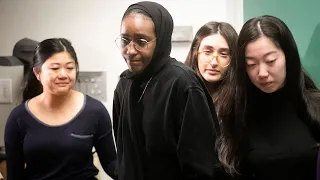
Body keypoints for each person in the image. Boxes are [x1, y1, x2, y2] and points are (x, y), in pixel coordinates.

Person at [112, 1, 219, 180]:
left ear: (160, 40)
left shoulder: (183, 84)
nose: (130, 50)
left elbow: (201, 165)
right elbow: (123, 154)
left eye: (141, 41)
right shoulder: (124, 85)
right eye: (124, 40)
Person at [220, 15, 320, 179]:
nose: (262, 73)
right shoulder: (235, 113)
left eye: (271, 61)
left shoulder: (316, 104)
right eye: (251, 64)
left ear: (288, 57)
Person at [4, 38, 117, 180]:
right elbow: (14, 174)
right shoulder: (18, 117)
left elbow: (112, 164)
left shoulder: (95, 111)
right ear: (37, 73)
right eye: (55, 68)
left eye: (70, 68)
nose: (63, 74)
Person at [185, 21, 238, 177]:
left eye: (223, 54)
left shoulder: (239, 101)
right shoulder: (180, 93)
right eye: (207, 52)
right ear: (196, 53)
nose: (214, 62)